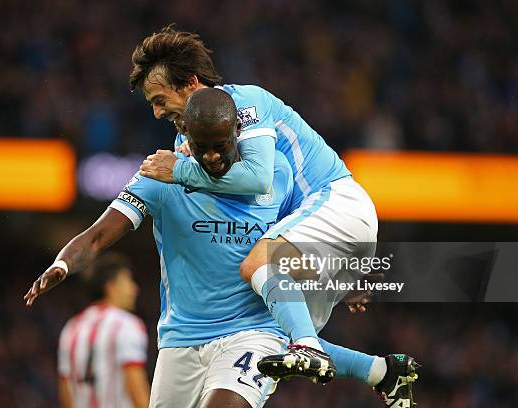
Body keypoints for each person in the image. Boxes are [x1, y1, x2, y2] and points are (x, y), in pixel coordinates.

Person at [26, 89, 416, 407]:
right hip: (182, 338)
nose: (212, 157)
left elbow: (301, 239)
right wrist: (62, 263)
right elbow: (96, 235)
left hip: (251, 332)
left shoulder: (273, 173)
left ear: (237, 135)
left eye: (221, 146)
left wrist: (339, 276)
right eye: (202, 147)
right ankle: (380, 371)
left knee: (278, 337)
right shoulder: (160, 178)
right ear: (186, 140)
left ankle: (344, 359)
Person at [131, 27, 418, 407]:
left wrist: (179, 171)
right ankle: (383, 373)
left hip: (334, 201)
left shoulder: (243, 102)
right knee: (269, 327)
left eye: (159, 98)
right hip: (313, 226)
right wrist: (331, 273)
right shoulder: (190, 140)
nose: (156, 111)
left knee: (259, 264)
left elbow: (258, 177)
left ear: (190, 83)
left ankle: (309, 349)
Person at [57, 253, 150, 408]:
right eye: (128, 281)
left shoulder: (71, 328)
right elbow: (136, 388)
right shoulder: (126, 324)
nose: (135, 289)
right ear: (111, 287)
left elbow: (66, 389)